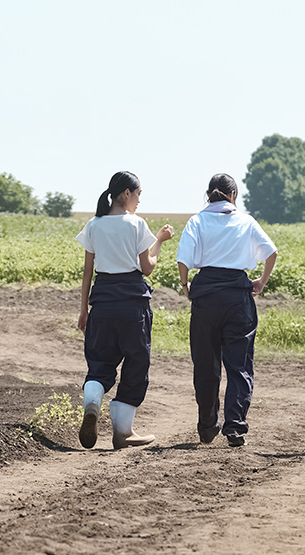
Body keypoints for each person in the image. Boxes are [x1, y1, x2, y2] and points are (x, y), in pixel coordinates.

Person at [176, 173, 277, 447]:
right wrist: (261, 282)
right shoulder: (246, 221)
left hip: (206, 296)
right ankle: (235, 427)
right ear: (234, 195)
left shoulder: (197, 220)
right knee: (239, 364)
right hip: (237, 297)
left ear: (207, 195)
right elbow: (271, 253)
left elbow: (183, 258)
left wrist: (186, 286)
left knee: (206, 365)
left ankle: (208, 426)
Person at [76, 171, 173, 450]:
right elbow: (147, 267)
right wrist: (160, 241)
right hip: (132, 303)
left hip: (102, 303)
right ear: (126, 194)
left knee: (99, 363)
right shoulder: (136, 224)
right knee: (136, 362)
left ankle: (92, 403)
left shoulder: (94, 225)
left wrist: (84, 310)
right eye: (139, 194)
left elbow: (87, 273)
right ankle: (122, 432)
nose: (139, 200)